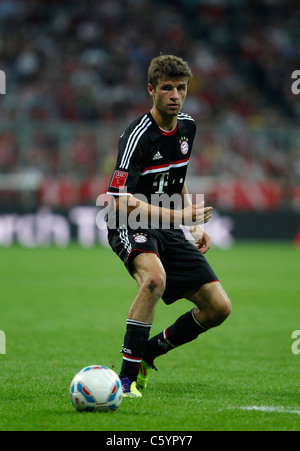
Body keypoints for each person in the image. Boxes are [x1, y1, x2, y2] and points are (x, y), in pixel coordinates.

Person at [106, 55, 231, 397]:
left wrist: (190, 226)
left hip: (169, 224)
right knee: (154, 281)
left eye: (181, 88)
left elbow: (176, 179)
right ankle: (126, 381)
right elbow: (118, 199)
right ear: (151, 90)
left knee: (219, 308)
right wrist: (180, 217)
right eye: (167, 88)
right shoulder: (137, 136)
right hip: (128, 221)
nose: (175, 95)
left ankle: (151, 352)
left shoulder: (188, 126)